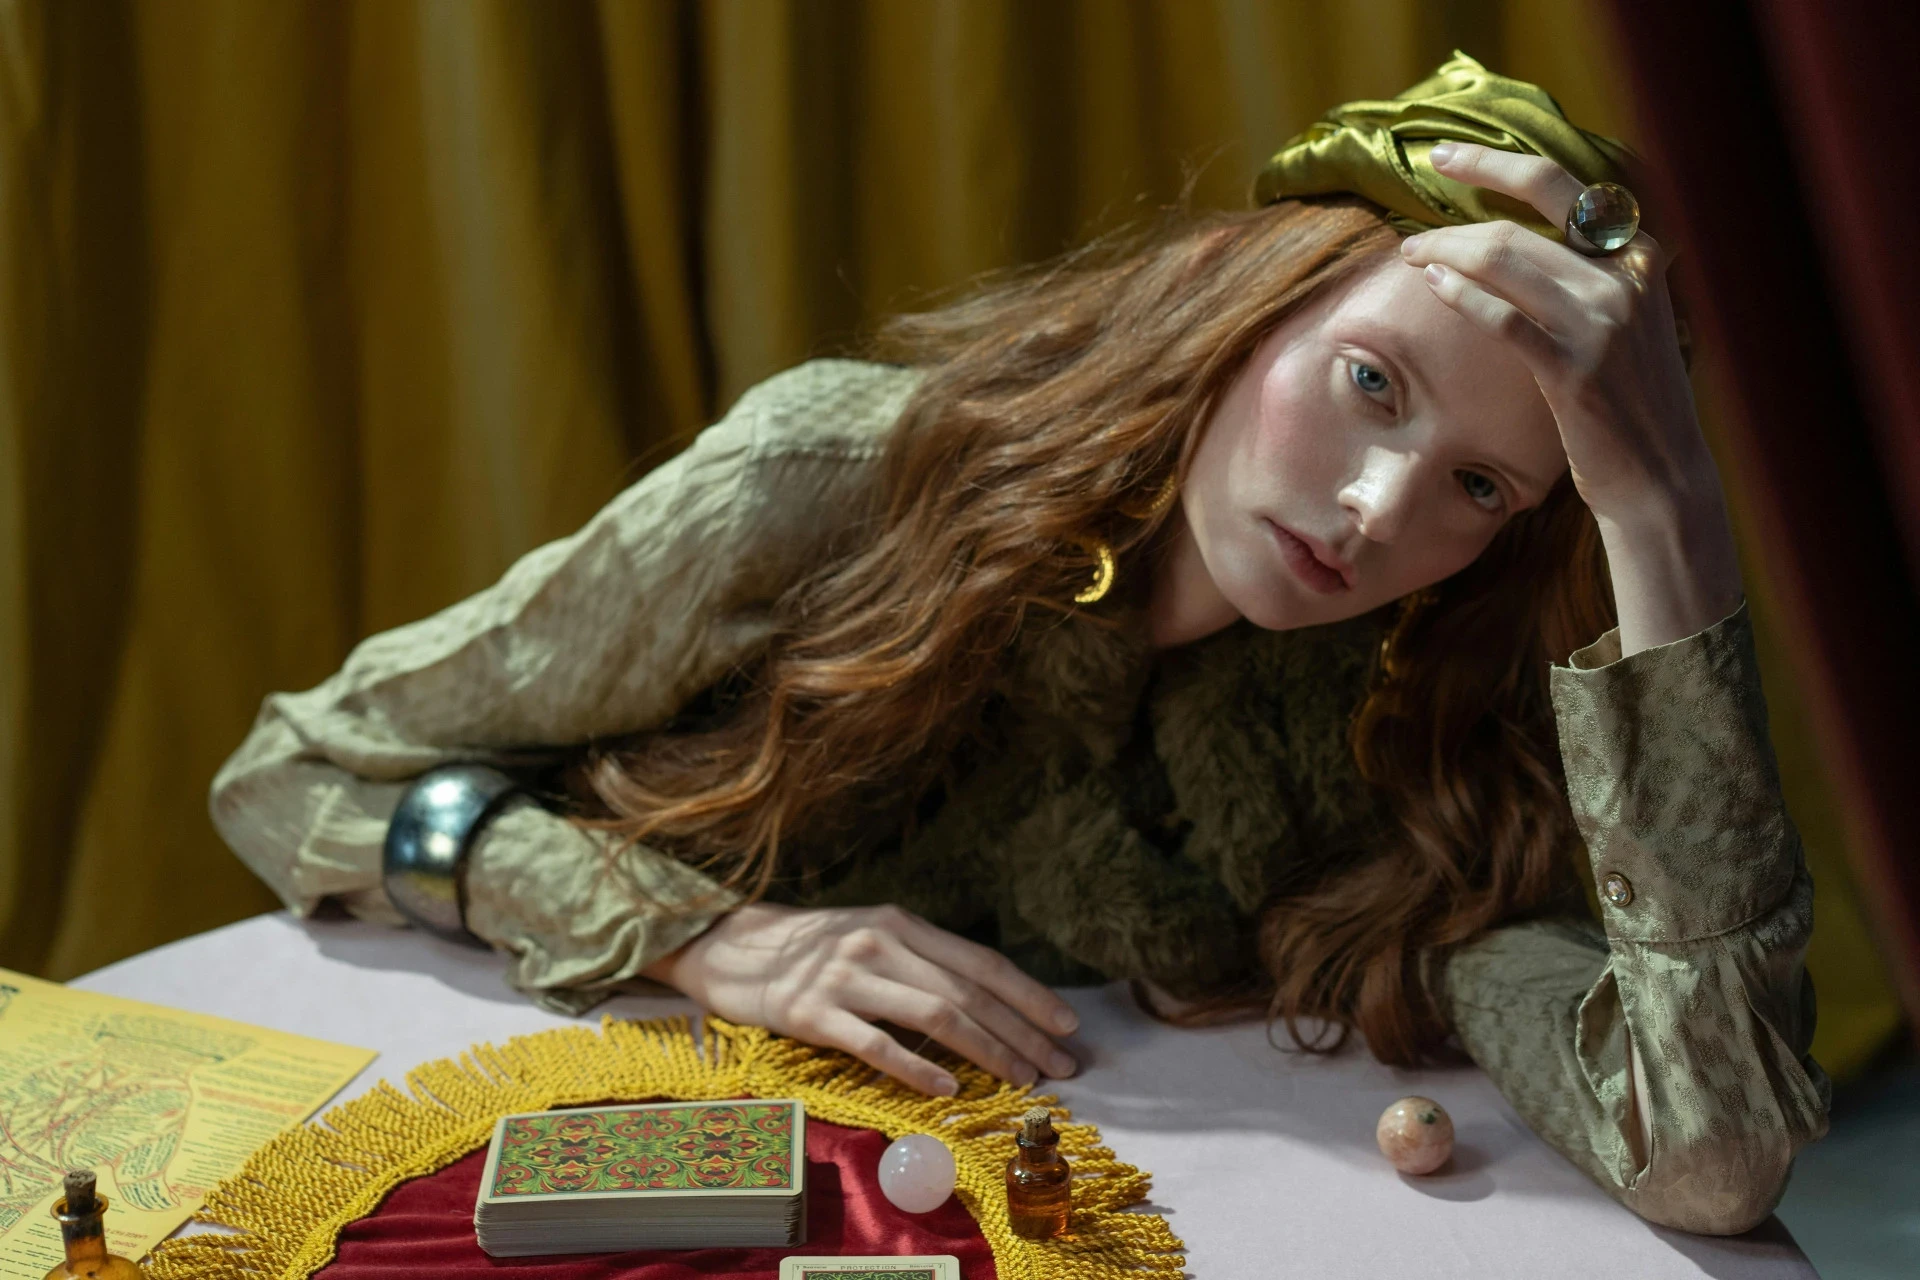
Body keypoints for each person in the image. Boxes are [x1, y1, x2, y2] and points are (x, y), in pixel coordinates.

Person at [209, 54, 1830, 1235]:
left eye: (1479, 486)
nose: (1375, 507)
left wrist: (1666, 514)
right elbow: (289, 774)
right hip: (592, 1141)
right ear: (1245, 291)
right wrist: (698, 934)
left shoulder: (1413, 733)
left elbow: (1711, 1154)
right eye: (1368, 384)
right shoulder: (830, 483)